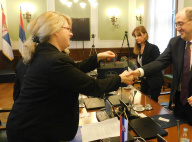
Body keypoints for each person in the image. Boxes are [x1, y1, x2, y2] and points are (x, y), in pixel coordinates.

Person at [6, 11, 133, 142]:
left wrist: (97, 58)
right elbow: (92, 86)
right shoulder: (54, 59)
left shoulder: (44, 53)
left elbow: (73, 71)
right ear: (55, 30)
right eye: (68, 29)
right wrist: (120, 78)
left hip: (27, 127)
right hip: (33, 133)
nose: (71, 33)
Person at [128, 7, 192, 135]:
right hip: (179, 103)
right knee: (178, 135)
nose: (178, 28)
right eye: (176, 25)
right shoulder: (175, 42)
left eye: (180, 24)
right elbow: (160, 62)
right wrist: (139, 72)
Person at [131, 26, 164, 102]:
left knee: (152, 104)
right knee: (143, 101)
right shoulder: (139, 50)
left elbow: (158, 65)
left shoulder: (153, 48)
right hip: (144, 81)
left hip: (154, 81)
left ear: (145, 35)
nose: (136, 38)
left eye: (139, 35)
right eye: (135, 36)